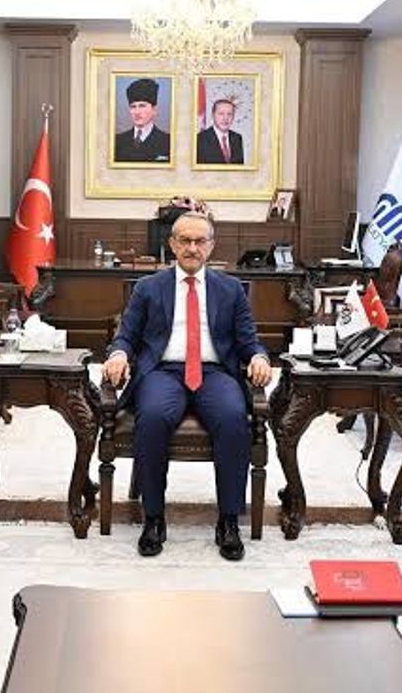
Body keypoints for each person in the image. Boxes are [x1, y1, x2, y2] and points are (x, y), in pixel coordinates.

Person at [104, 212, 273, 561]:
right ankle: (153, 519)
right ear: (172, 244)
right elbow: (126, 335)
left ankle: (228, 521)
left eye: (199, 241)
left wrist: (258, 357)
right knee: (152, 417)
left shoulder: (230, 289)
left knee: (233, 419)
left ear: (211, 246)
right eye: (185, 240)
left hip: (215, 372)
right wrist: (118, 354)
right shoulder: (149, 287)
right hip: (163, 371)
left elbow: (249, 340)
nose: (192, 248)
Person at [113, 78, 171, 163]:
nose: (137, 112)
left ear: (154, 110)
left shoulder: (168, 142)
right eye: (133, 106)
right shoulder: (117, 141)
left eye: (142, 106)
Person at [195, 99, 244, 165]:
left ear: (233, 117)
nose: (225, 118)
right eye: (221, 114)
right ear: (213, 115)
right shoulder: (200, 139)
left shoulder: (237, 138)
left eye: (229, 114)